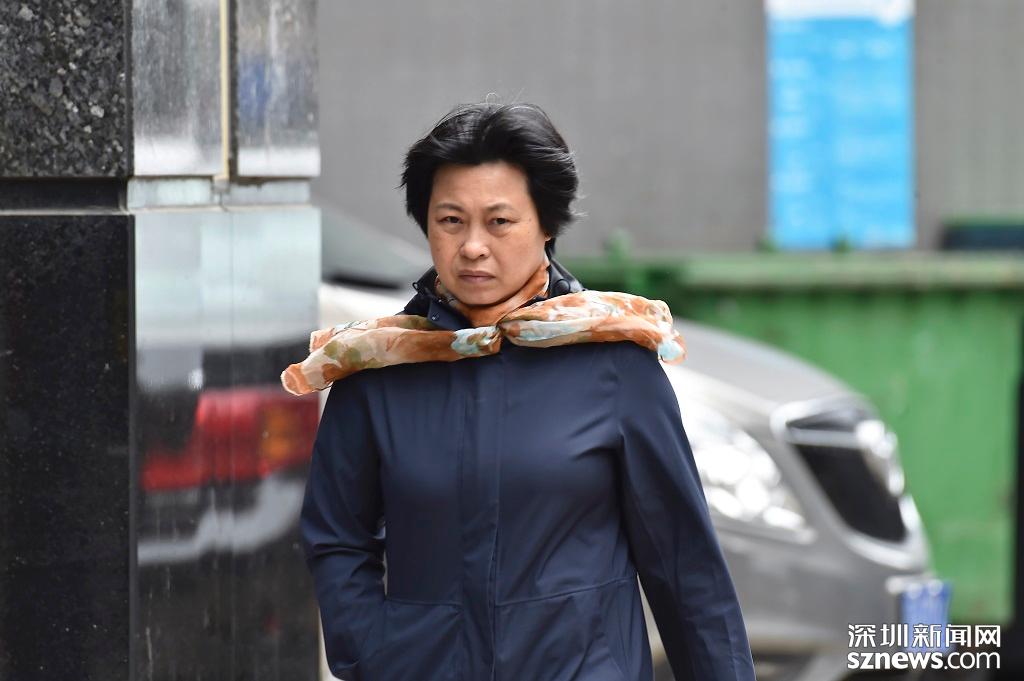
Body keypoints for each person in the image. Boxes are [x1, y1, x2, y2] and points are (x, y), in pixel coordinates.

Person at [283, 101, 756, 681]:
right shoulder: (380, 367)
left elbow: (684, 565)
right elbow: (337, 537)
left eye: (499, 222)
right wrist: (374, 654)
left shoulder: (614, 364)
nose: (472, 246)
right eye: (450, 220)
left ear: (546, 225)